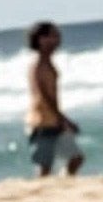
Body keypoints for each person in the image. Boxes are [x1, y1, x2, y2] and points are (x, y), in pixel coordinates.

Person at [24, 22, 84, 177]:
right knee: (44, 167)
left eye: (57, 36)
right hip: (42, 123)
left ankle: (62, 185)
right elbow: (42, 97)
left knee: (76, 159)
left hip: (54, 120)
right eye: (52, 36)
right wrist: (63, 119)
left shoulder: (49, 63)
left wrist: (60, 119)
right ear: (41, 39)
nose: (57, 40)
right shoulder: (37, 66)